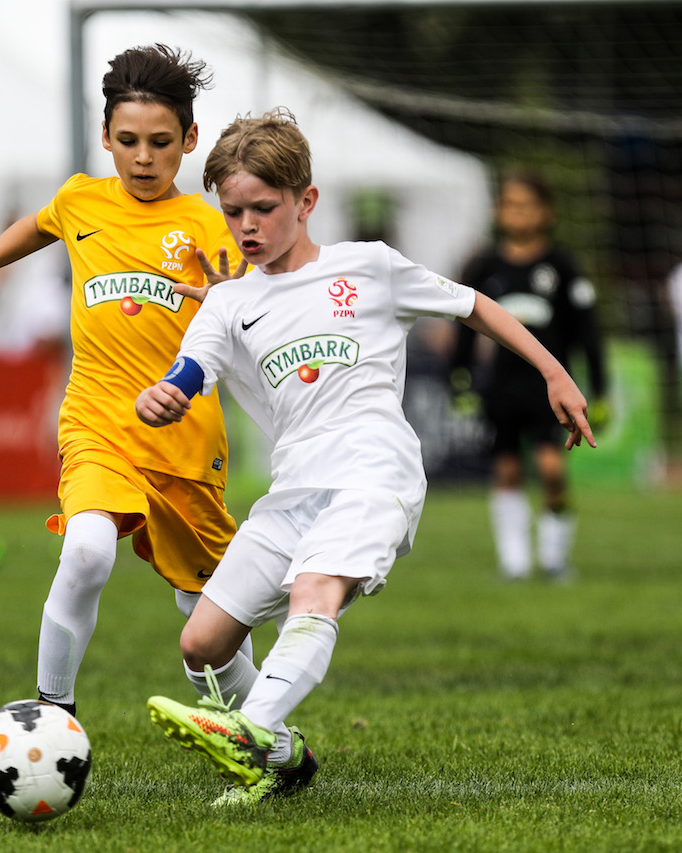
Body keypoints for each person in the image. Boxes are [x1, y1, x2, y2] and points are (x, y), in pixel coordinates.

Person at [136, 109, 596, 806]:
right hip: (295, 486)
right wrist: (166, 394)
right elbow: (191, 368)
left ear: (306, 201)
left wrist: (554, 372)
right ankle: (283, 758)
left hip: (375, 470)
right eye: (233, 212)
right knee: (202, 643)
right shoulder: (230, 300)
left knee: (314, 591)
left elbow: (476, 305)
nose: (247, 226)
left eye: (264, 208)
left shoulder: (369, 266)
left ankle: (252, 729)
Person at [0, 44, 251, 719]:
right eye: (128, 140)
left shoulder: (205, 222)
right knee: (85, 549)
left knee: (209, 622)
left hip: (186, 440)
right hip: (98, 422)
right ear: (105, 137)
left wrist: (239, 297)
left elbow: (249, 302)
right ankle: (52, 714)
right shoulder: (81, 200)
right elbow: (35, 226)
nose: (143, 157)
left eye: (161, 143)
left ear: (189, 140)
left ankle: (264, 731)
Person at [449, 170, 607, 582]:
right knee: (507, 470)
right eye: (509, 205)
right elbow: (464, 322)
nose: (517, 213)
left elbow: (588, 333)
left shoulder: (562, 267)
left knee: (552, 468)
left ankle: (555, 558)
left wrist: (600, 387)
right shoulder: (484, 265)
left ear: (545, 213)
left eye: (526, 206)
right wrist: (459, 375)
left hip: (549, 390)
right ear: (498, 211)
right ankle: (515, 562)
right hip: (501, 388)